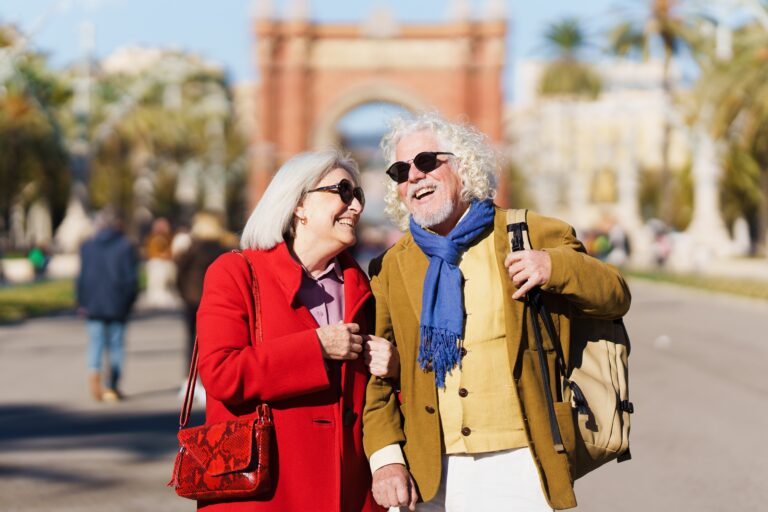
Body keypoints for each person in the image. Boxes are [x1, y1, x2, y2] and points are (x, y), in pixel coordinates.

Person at [362, 113, 631, 511]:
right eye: (401, 170)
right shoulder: (390, 268)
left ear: (464, 164)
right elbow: (377, 378)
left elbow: (614, 295)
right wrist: (386, 461)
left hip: (523, 462)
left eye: (426, 162)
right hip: (432, 473)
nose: (413, 176)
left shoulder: (532, 234)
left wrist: (555, 267)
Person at [196, 149, 396, 511]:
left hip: (349, 493)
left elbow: (375, 399)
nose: (356, 207)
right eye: (343, 192)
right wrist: (315, 347)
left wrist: (393, 369)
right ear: (299, 204)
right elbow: (221, 373)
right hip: (263, 494)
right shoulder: (235, 273)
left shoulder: (362, 288)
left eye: (359, 196)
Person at [77, 209, 139, 402]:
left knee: (96, 342)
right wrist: (129, 302)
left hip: (93, 303)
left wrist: (82, 301)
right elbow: (131, 279)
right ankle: (112, 385)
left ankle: (94, 375)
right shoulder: (125, 246)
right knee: (116, 344)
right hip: (117, 303)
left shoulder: (87, 246)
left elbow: (82, 277)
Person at [174, 212, 228, 403]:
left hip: (192, 299)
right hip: (217, 300)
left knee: (191, 341)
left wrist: (183, 292)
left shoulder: (192, 249)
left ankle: (189, 382)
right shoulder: (224, 249)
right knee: (214, 342)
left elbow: (180, 273)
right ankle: (208, 384)